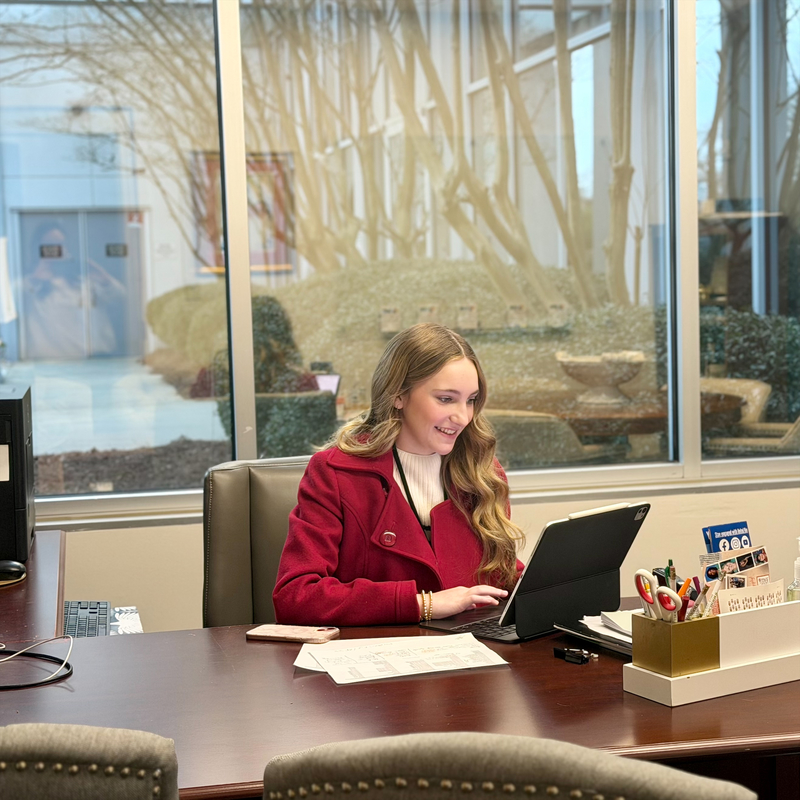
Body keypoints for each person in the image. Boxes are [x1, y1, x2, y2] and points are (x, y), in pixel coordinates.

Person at [273, 323, 525, 626]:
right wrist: (423, 604)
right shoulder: (335, 474)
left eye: (470, 400)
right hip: (375, 658)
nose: (463, 417)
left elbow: (501, 576)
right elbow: (296, 596)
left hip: (472, 654)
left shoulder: (483, 472)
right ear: (398, 395)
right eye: (446, 399)